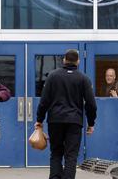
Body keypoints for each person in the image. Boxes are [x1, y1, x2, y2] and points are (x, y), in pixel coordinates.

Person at [35, 49, 96, 179]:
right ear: (78, 61)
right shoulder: (83, 79)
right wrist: (91, 123)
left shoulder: (52, 76)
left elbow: (44, 101)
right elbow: (91, 104)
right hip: (74, 122)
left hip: (55, 120)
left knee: (56, 153)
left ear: (64, 60)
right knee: (71, 155)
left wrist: (39, 119)